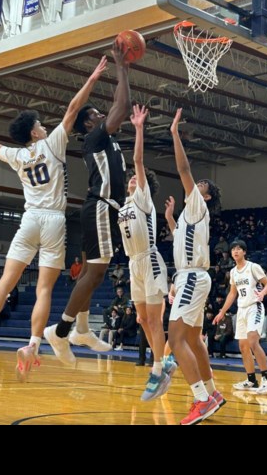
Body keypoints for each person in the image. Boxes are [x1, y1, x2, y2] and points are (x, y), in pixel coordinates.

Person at [0, 56, 109, 380]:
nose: (43, 125)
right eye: (39, 123)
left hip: (28, 220)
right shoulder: (52, 143)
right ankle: (33, 344)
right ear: (35, 132)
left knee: (5, 282)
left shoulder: (16, 155)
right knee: (43, 290)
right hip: (53, 221)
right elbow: (73, 108)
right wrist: (93, 77)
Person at [44, 44, 134, 363]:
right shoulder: (94, 137)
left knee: (92, 274)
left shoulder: (108, 141)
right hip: (99, 206)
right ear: (88, 124)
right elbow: (121, 108)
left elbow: (121, 113)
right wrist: (122, 67)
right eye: (96, 115)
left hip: (106, 208)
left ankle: (81, 328)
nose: (102, 116)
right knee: (95, 275)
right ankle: (61, 330)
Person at [164, 108, 225, 425]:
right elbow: (179, 242)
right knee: (195, 340)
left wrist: (174, 134)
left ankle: (201, 400)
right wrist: (171, 219)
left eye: (203, 184)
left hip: (192, 278)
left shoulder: (199, 205)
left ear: (207, 195)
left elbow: (183, 167)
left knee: (176, 340)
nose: (197, 183)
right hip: (193, 277)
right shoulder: (190, 217)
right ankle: (213, 392)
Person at [115, 104, 176, 400]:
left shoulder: (143, 200)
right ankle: (163, 362)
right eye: (130, 179)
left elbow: (138, 160)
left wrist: (138, 128)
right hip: (132, 264)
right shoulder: (123, 205)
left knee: (153, 320)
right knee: (142, 320)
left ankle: (157, 369)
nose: (132, 179)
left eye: (137, 179)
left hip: (150, 260)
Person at [213, 240, 267, 393]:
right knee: (243, 346)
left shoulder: (253, 267)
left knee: (253, 341)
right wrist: (222, 312)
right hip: (241, 310)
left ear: (244, 252)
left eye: (239, 249)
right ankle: (251, 380)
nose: (235, 251)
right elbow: (232, 293)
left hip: (254, 306)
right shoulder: (233, 272)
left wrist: (262, 293)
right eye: (233, 249)